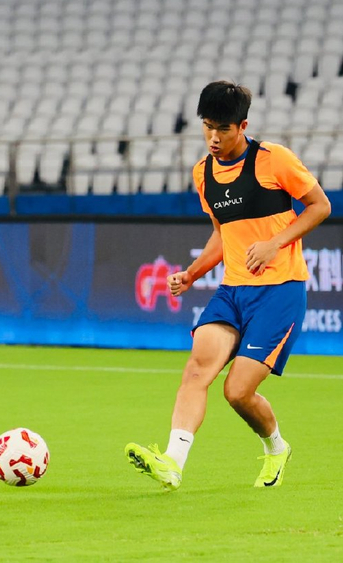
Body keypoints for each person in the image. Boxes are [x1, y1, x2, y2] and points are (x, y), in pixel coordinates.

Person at [125, 81, 331, 490]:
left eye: (223, 128)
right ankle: (172, 463)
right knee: (196, 369)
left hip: (279, 291)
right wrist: (192, 273)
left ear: (243, 126)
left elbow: (320, 206)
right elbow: (223, 235)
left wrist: (275, 243)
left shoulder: (274, 160)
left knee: (237, 392)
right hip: (232, 292)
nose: (213, 137)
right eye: (207, 127)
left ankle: (277, 448)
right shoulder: (203, 173)